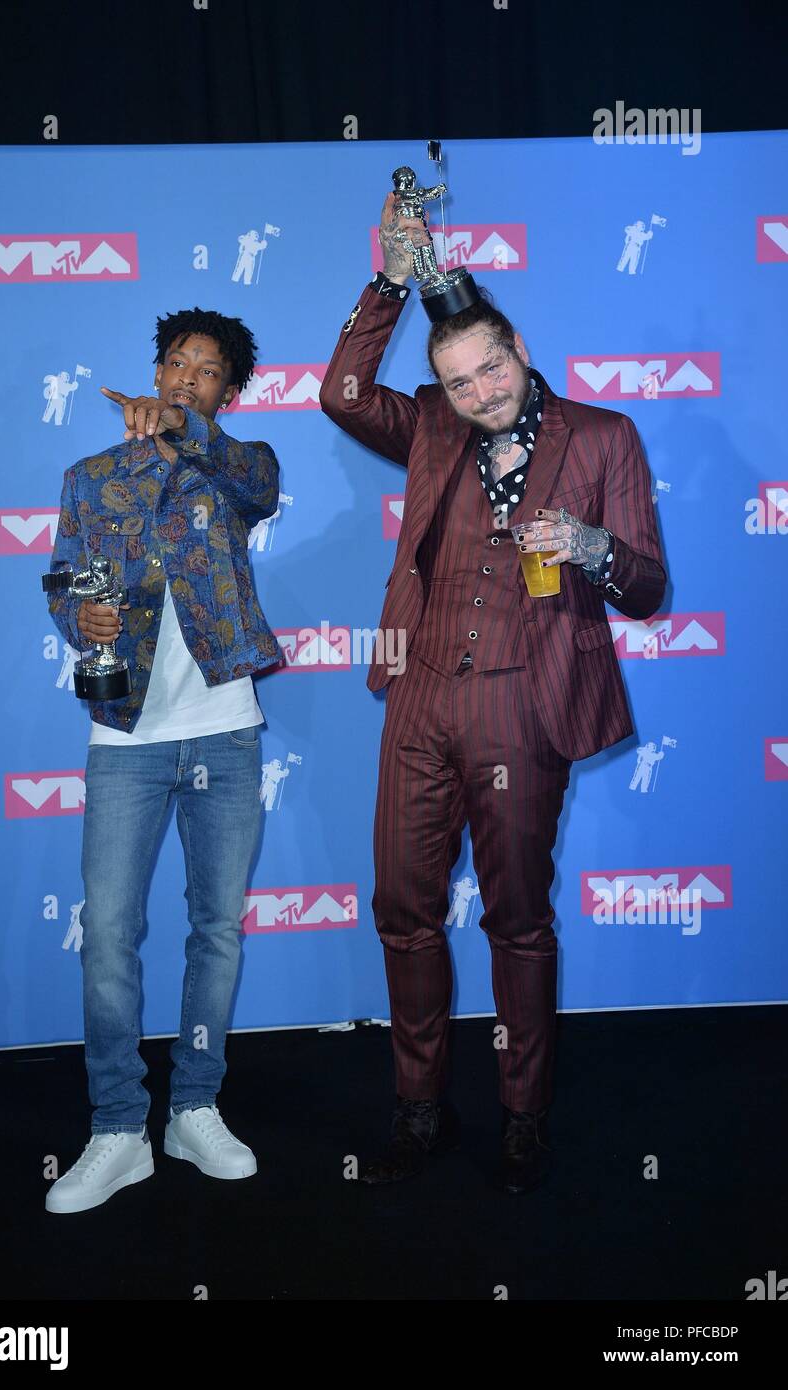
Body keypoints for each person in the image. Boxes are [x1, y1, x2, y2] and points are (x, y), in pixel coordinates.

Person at [319, 191, 667, 1193]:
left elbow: (648, 590)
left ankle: (523, 1117)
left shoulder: (603, 438)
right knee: (401, 905)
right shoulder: (429, 426)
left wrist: (595, 547)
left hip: (526, 703)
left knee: (517, 918)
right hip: (420, 695)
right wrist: (391, 277)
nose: (479, 393)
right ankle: (419, 1111)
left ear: (518, 347)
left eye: (491, 370)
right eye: (459, 382)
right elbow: (343, 393)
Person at [43, 306, 282, 1213]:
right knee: (108, 933)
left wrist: (190, 436)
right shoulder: (90, 476)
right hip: (126, 737)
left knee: (215, 929)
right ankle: (115, 1128)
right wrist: (81, 621)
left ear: (227, 390)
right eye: (175, 363)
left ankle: (193, 1108)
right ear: (153, 367)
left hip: (225, 726)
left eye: (207, 369)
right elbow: (65, 578)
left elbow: (254, 477)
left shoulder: (236, 470)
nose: (187, 376)